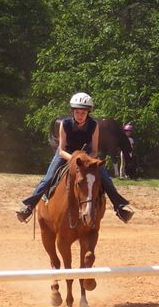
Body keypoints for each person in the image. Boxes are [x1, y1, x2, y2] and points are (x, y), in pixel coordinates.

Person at [16, 92, 133, 224]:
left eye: (83, 113)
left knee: (106, 179)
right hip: (66, 155)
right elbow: (61, 149)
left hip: (87, 157)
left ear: (88, 112)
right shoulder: (65, 124)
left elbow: (95, 150)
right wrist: (73, 159)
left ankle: (120, 207)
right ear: (73, 111)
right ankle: (29, 207)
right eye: (77, 112)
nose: (80, 115)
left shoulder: (94, 125)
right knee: (48, 179)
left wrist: (85, 159)